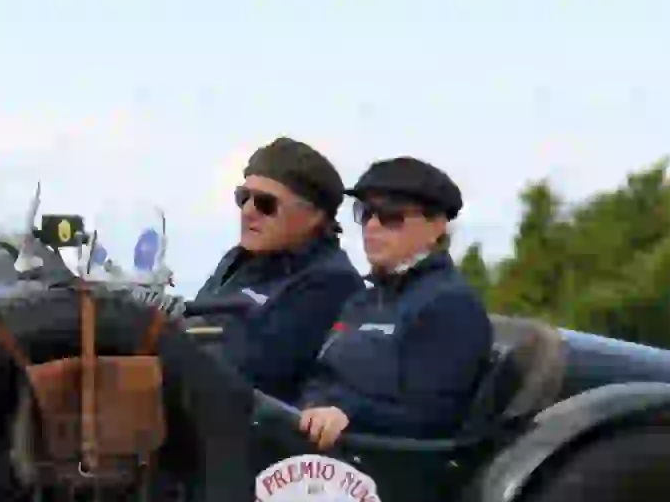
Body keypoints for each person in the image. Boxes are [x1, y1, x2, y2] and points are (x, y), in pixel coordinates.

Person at [296, 156, 495, 449]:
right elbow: (321, 378)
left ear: (436, 226)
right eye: (364, 213)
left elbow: (433, 418)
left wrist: (348, 414)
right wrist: (314, 406)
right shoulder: (362, 300)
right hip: (323, 449)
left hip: (382, 466)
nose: (371, 227)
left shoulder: (450, 304)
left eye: (390, 216)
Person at [189, 136, 366, 404]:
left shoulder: (330, 282)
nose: (248, 211)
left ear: (314, 215)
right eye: (243, 198)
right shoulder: (238, 261)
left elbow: (246, 368)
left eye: (265, 203)